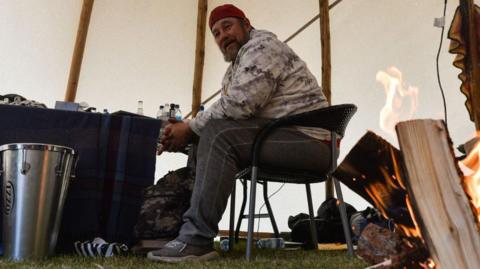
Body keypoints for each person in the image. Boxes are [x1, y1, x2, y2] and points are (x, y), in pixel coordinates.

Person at [147, 4, 331, 263]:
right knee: (209, 134)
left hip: (313, 143)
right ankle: (178, 232)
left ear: (246, 23)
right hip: (282, 137)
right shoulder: (236, 67)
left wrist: (189, 128)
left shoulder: (263, 48)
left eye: (227, 26)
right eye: (216, 33)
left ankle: (197, 238)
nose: (223, 36)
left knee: (219, 135)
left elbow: (239, 104)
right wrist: (186, 137)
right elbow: (229, 114)